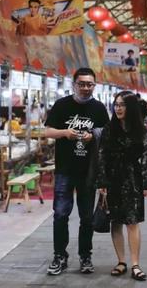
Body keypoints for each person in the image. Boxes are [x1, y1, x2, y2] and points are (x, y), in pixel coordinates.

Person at [44, 68, 110, 275]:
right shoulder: (62, 105)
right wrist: (65, 133)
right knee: (60, 214)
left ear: (94, 85)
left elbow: (108, 134)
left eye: (89, 84)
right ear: (74, 84)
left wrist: (94, 135)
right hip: (65, 169)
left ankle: (85, 256)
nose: (85, 88)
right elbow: (47, 131)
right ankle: (59, 256)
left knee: (86, 217)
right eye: (81, 84)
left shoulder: (99, 108)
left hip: (88, 171)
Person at [97, 91, 147, 281]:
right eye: (116, 104)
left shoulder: (141, 130)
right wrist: (102, 182)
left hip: (133, 179)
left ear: (130, 107)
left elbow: (146, 157)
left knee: (133, 222)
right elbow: (102, 156)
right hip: (113, 179)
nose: (118, 108)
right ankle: (121, 262)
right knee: (116, 221)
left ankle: (135, 264)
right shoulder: (109, 129)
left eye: (122, 105)